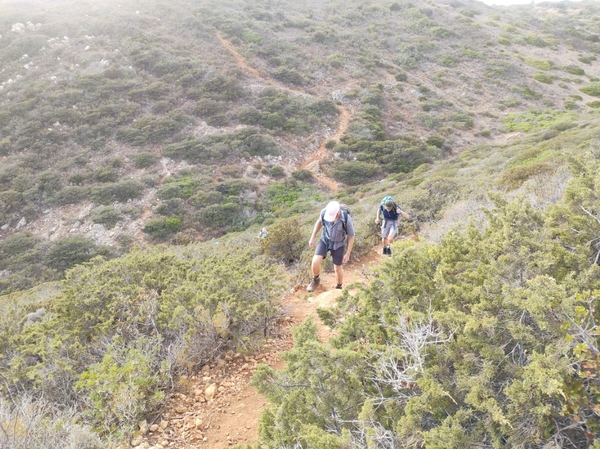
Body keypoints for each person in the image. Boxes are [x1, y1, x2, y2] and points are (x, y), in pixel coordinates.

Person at [307, 201, 355, 292]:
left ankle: (339, 287)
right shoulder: (324, 213)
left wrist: (348, 253)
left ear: (338, 213)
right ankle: (315, 280)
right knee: (315, 262)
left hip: (338, 243)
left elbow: (351, 236)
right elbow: (319, 222)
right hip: (325, 239)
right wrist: (312, 237)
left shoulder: (346, 218)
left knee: (337, 268)